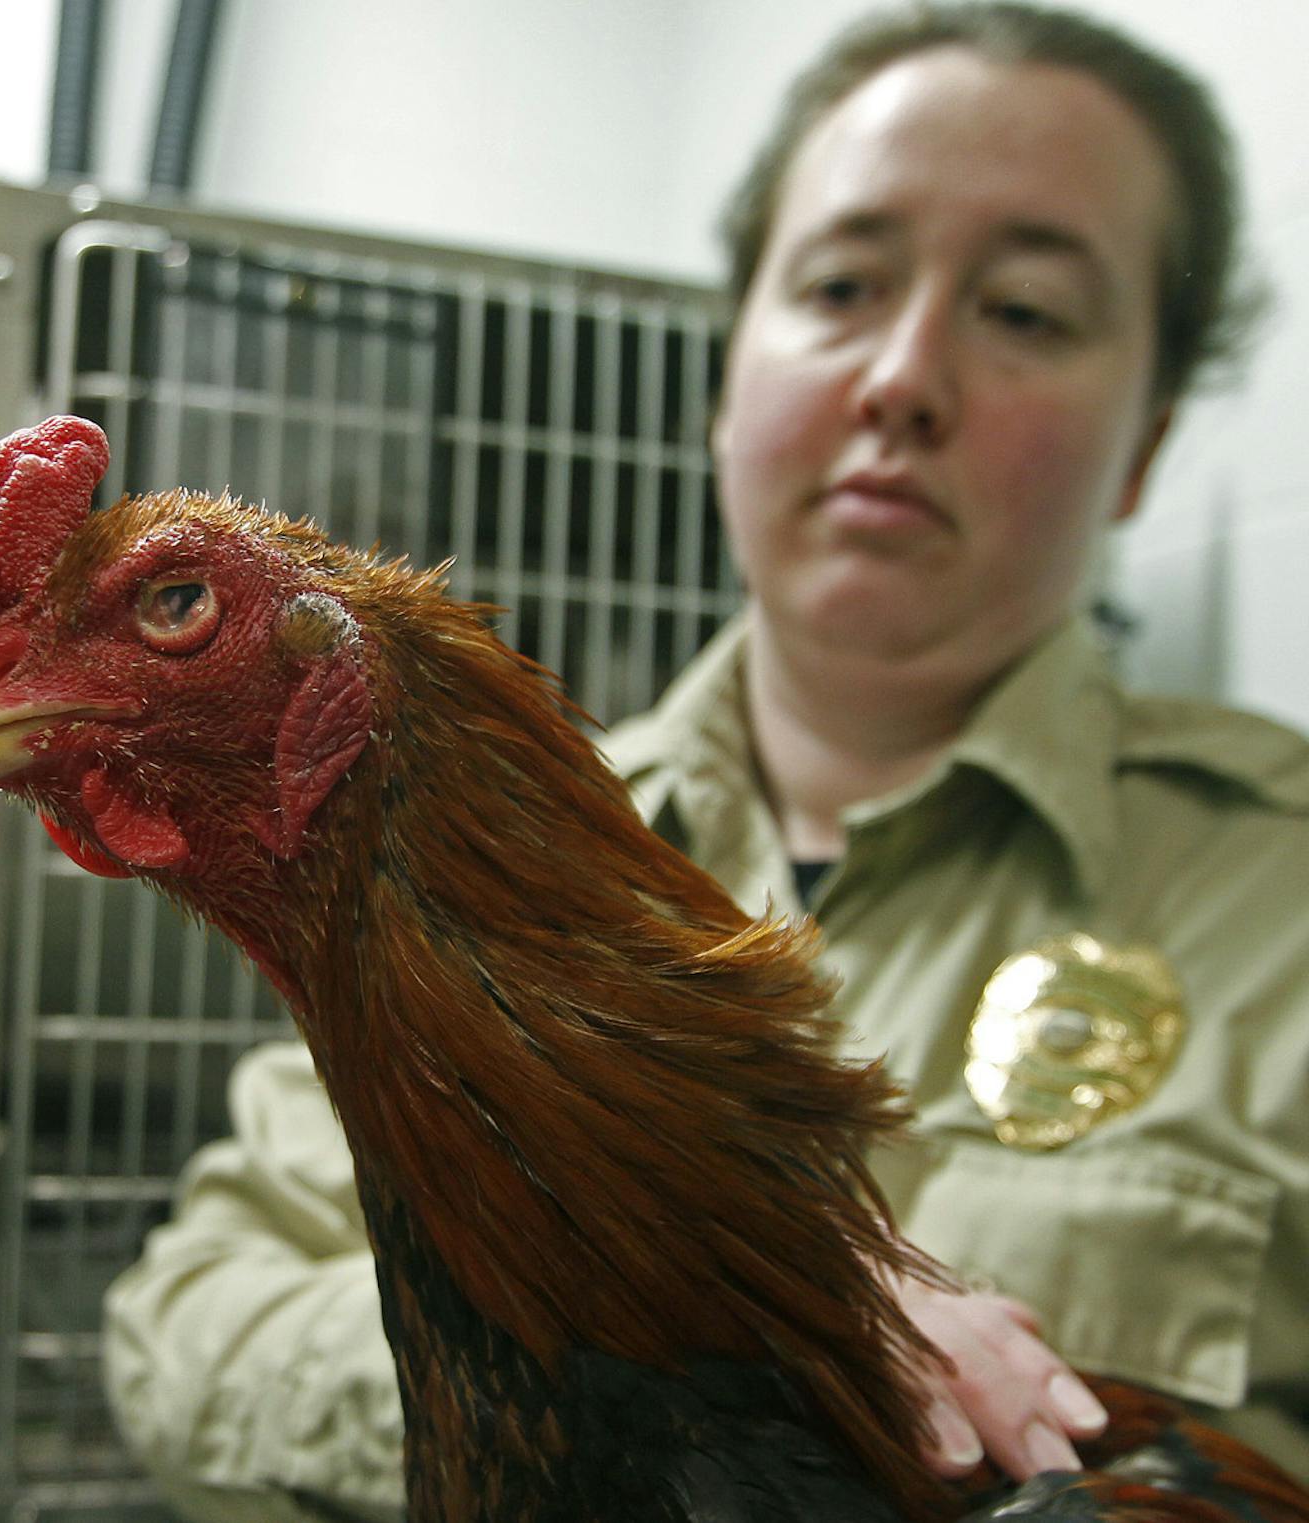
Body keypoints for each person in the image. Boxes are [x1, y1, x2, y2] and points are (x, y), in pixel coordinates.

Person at [98, 3, 1309, 1520]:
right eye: (844, 285)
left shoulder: (1283, 891)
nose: (905, 377)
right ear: (727, 378)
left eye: (1028, 314)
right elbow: (189, 1314)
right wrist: (637, 1370)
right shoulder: (440, 845)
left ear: (1143, 445)